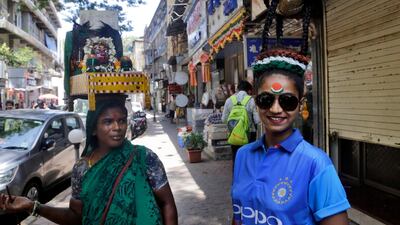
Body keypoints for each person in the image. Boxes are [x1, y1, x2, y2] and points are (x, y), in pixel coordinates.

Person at [0, 95, 178, 225]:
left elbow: (167, 203)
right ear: (93, 129)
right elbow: (75, 216)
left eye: (122, 121)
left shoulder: (144, 157)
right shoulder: (82, 168)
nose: (117, 127)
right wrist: (33, 206)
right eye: (108, 122)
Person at [231, 48, 350, 225]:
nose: (276, 109)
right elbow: (239, 215)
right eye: (266, 99)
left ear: (301, 105)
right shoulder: (243, 155)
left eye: (287, 101)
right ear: (256, 101)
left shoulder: (316, 163)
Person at [222, 80, 260, 169]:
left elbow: (224, 119)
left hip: (234, 133)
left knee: (235, 156)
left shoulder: (229, 100)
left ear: (237, 89)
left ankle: (236, 177)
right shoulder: (250, 100)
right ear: (249, 90)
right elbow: (257, 120)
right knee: (249, 157)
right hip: (249, 133)